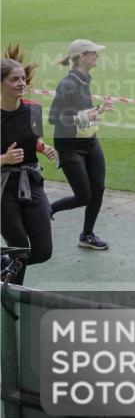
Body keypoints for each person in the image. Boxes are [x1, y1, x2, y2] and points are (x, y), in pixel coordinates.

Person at [48, 39, 112, 250]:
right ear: (82, 57)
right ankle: (47, 210)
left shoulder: (84, 80)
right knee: (84, 196)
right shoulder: (67, 84)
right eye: (94, 53)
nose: (97, 56)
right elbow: (54, 118)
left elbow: (82, 113)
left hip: (90, 142)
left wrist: (100, 110)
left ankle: (87, 235)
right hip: (70, 148)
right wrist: (82, 118)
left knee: (98, 189)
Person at [1, 56, 57, 284]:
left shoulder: (34, 109)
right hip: (3, 189)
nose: (22, 83)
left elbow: (32, 139)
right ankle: (12, 298)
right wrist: (4, 159)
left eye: (23, 78)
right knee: (20, 250)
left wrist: (43, 147)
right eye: (14, 79)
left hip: (30, 182)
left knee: (43, 251)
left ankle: (4, 266)